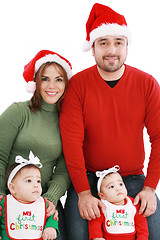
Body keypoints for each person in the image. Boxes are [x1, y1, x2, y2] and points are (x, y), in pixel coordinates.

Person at [59, 3, 160, 240]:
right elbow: (72, 142)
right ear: (92, 48)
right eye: (103, 42)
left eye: (118, 42)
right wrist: (83, 193)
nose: (111, 49)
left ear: (127, 46)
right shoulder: (77, 86)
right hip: (89, 179)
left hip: (134, 180)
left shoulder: (147, 84)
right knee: (79, 235)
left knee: (154, 235)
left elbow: (158, 136)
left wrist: (150, 188)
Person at [0, 50, 72, 240]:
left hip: (43, 200)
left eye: (59, 79)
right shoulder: (18, 112)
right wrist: (0, 192)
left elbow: (64, 169)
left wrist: (51, 198)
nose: (51, 86)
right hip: (7, 196)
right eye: (45, 79)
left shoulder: (68, 121)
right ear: (36, 82)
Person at [0, 151, 60, 240]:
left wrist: (51, 227)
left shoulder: (44, 204)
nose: (36, 185)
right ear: (12, 188)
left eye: (38, 181)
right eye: (29, 181)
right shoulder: (5, 203)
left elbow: (52, 217)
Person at [89, 165, 149, 240]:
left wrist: (142, 238)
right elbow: (95, 223)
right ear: (102, 195)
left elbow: (141, 224)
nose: (118, 188)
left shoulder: (133, 204)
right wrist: (97, 237)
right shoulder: (103, 206)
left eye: (120, 184)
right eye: (111, 187)